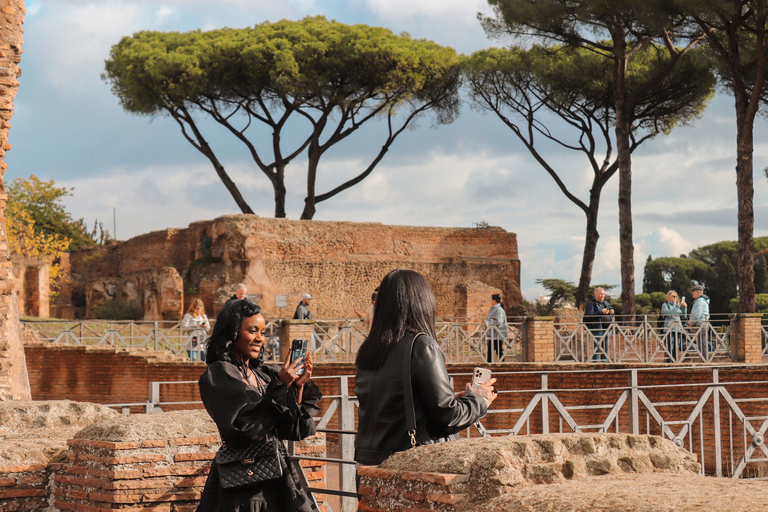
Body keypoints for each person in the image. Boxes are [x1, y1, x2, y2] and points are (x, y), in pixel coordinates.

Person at [354, 269, 497, 467]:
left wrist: (449, 398)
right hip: (405, 464)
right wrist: (480, 399)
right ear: (423, 302)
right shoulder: (422, 345)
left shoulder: (369, 348)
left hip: (367, 463)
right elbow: (449, 418)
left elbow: (390, 403)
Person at [196, 299, 322, 512]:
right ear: (232, 333)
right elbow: (243, 427)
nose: (260, 338)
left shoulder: (265, 374)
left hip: (277, 473)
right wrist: (280, 385)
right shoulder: (218, 374)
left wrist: (296, 387)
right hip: (241, 482)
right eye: (252, 331)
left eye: (263, 332)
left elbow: (292, 429)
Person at [584, 287, 614, 362]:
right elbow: (589, 316)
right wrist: (601, 312)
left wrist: (611, 311)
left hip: (607, 329)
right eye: (601, 294)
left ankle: (605, 364)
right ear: (595, 294)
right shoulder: (591, 305)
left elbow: (611, 310)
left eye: (603, 294)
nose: (602, 296)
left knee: (605, 348)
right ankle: (596, 364)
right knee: (597, 348)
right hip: (598, 329)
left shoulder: (606, 303)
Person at [660, 291, 686, 363]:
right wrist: (677, 307)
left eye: (676, 296)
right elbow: (668, 314)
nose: (675, 298)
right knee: (671, 345)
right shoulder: (665, 305)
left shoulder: (676, 306)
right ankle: (669, 361)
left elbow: (683, 316)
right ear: (669, 297)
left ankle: (675, 361)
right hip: (669, 328)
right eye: (673, 296)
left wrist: (684, 307)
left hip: (678, 328)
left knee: (676, 346)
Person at [688, 284, 711, 357]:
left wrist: (691, 323)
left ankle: (704, 360)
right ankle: (704, 359)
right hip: (703, 324)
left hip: (701, 325)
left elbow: (696, 314)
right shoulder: (702, 300)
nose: (692, 293)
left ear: (698, 292)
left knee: (702, 344)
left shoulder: (700, 301)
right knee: (702, 343)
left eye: (693, 291)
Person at [485, 293, 508, 363]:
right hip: (493, 334)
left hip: (497, 334)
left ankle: (500, 364)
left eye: (491, 300)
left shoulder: (499, 310)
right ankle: (496, 364)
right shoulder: (495, 309)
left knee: (497, 351)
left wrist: (487, 323)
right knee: (494, 351)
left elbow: (499, 321)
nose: (490, 301)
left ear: (494, 300)